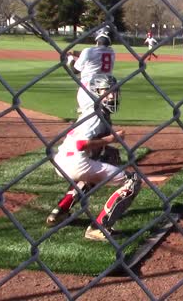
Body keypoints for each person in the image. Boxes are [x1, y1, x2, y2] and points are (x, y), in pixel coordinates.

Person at [46, 74, 142, 241]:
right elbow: (81, 144)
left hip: (63, 161)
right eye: (107, 92)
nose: (112, 96)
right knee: (133, 181)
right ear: (96, 93)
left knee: (106, 159)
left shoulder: (92, 112)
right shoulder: (96, 116)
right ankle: (100, 227)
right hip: (77, 162)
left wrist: (108, 149)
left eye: (114, 91)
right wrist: (111, 139)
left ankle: (60, 211)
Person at [67, 26, 115, 113]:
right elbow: (95, 52)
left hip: (88, 87)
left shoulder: (88, 51)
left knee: (87, 114)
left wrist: (70, 58)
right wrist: (75, 52)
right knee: (102, 115)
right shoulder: (111, 52)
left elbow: (75, 70)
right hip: (104, 88)